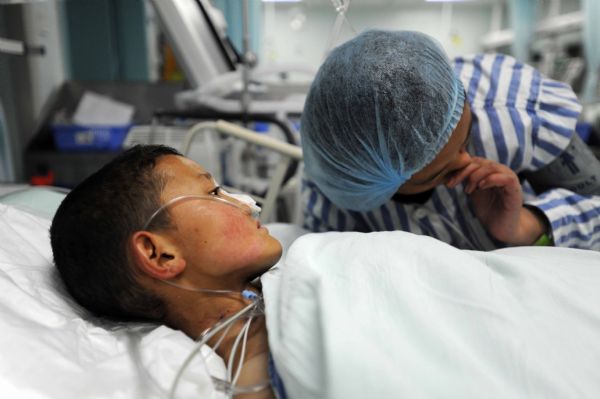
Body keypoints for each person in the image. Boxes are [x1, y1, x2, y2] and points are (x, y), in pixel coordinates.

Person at [300, 29, 600, 250]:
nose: (468, 161)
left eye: (466, 137)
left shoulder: (520, 111)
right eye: (441, 174)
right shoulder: (343, 183)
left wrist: (527, 225)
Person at [50, 145, 284, 399]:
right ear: (159, 254)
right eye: (214, 192)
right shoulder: (254, 364)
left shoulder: (285, 289)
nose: (247, 204)